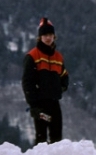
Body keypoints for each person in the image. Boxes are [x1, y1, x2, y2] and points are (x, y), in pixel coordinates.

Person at [22, 17, 69, 145]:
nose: (48, 38)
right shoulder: (32, 56)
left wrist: (61, 88)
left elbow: (64, 76)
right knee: (41, 142)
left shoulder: (58, 57)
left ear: (54, 36)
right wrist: (33, 104)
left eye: (50, 35)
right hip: (40, 104)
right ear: (40, 37)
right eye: (45, 35)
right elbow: (27, 82)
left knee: (57, 141)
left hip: (54, 103)